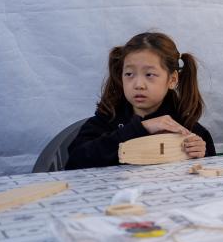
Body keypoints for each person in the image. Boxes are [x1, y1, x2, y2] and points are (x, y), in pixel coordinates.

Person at [66, 32, 215, 169]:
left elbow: (209, 174)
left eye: (149, 74)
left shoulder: (185, 126)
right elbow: (74, 161)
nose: (138, 85)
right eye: (129, 74)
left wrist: (201, 154)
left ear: (172, 79)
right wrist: (141, 128)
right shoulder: (108, 118)